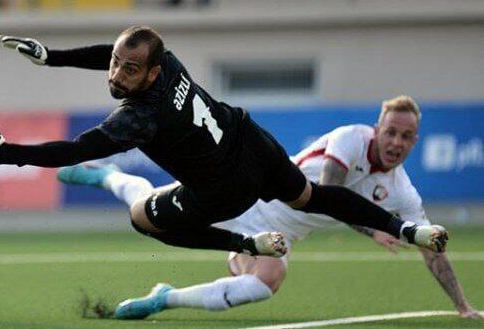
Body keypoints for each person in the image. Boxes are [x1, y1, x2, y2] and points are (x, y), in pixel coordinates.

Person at [0, 27, 447, 261]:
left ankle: (245, 244)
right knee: (312, 196)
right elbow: (116, 52)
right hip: (251, 140)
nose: (115, 75)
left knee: (142, 219)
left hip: (224, 188)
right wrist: (51, 57)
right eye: (115, 64)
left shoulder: (138, 117)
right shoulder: (167, 60)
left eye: (128, 70)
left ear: (151, 74)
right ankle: (408, 230)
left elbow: (73, 150)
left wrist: (4, 153)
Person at [58, 96, 481, 320]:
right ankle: (107, 175)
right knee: (149, 210)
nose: (396, 143)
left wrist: (462, 306)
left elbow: (432, 249)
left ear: (414, 142)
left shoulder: (402, 191)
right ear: (378, 128)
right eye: (391, 132)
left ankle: (164, 299)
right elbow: (328, 193)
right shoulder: (351, 139)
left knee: (265, 284)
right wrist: (373, 229)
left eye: (406, 137)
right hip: (245, 194)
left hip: (276, 235)